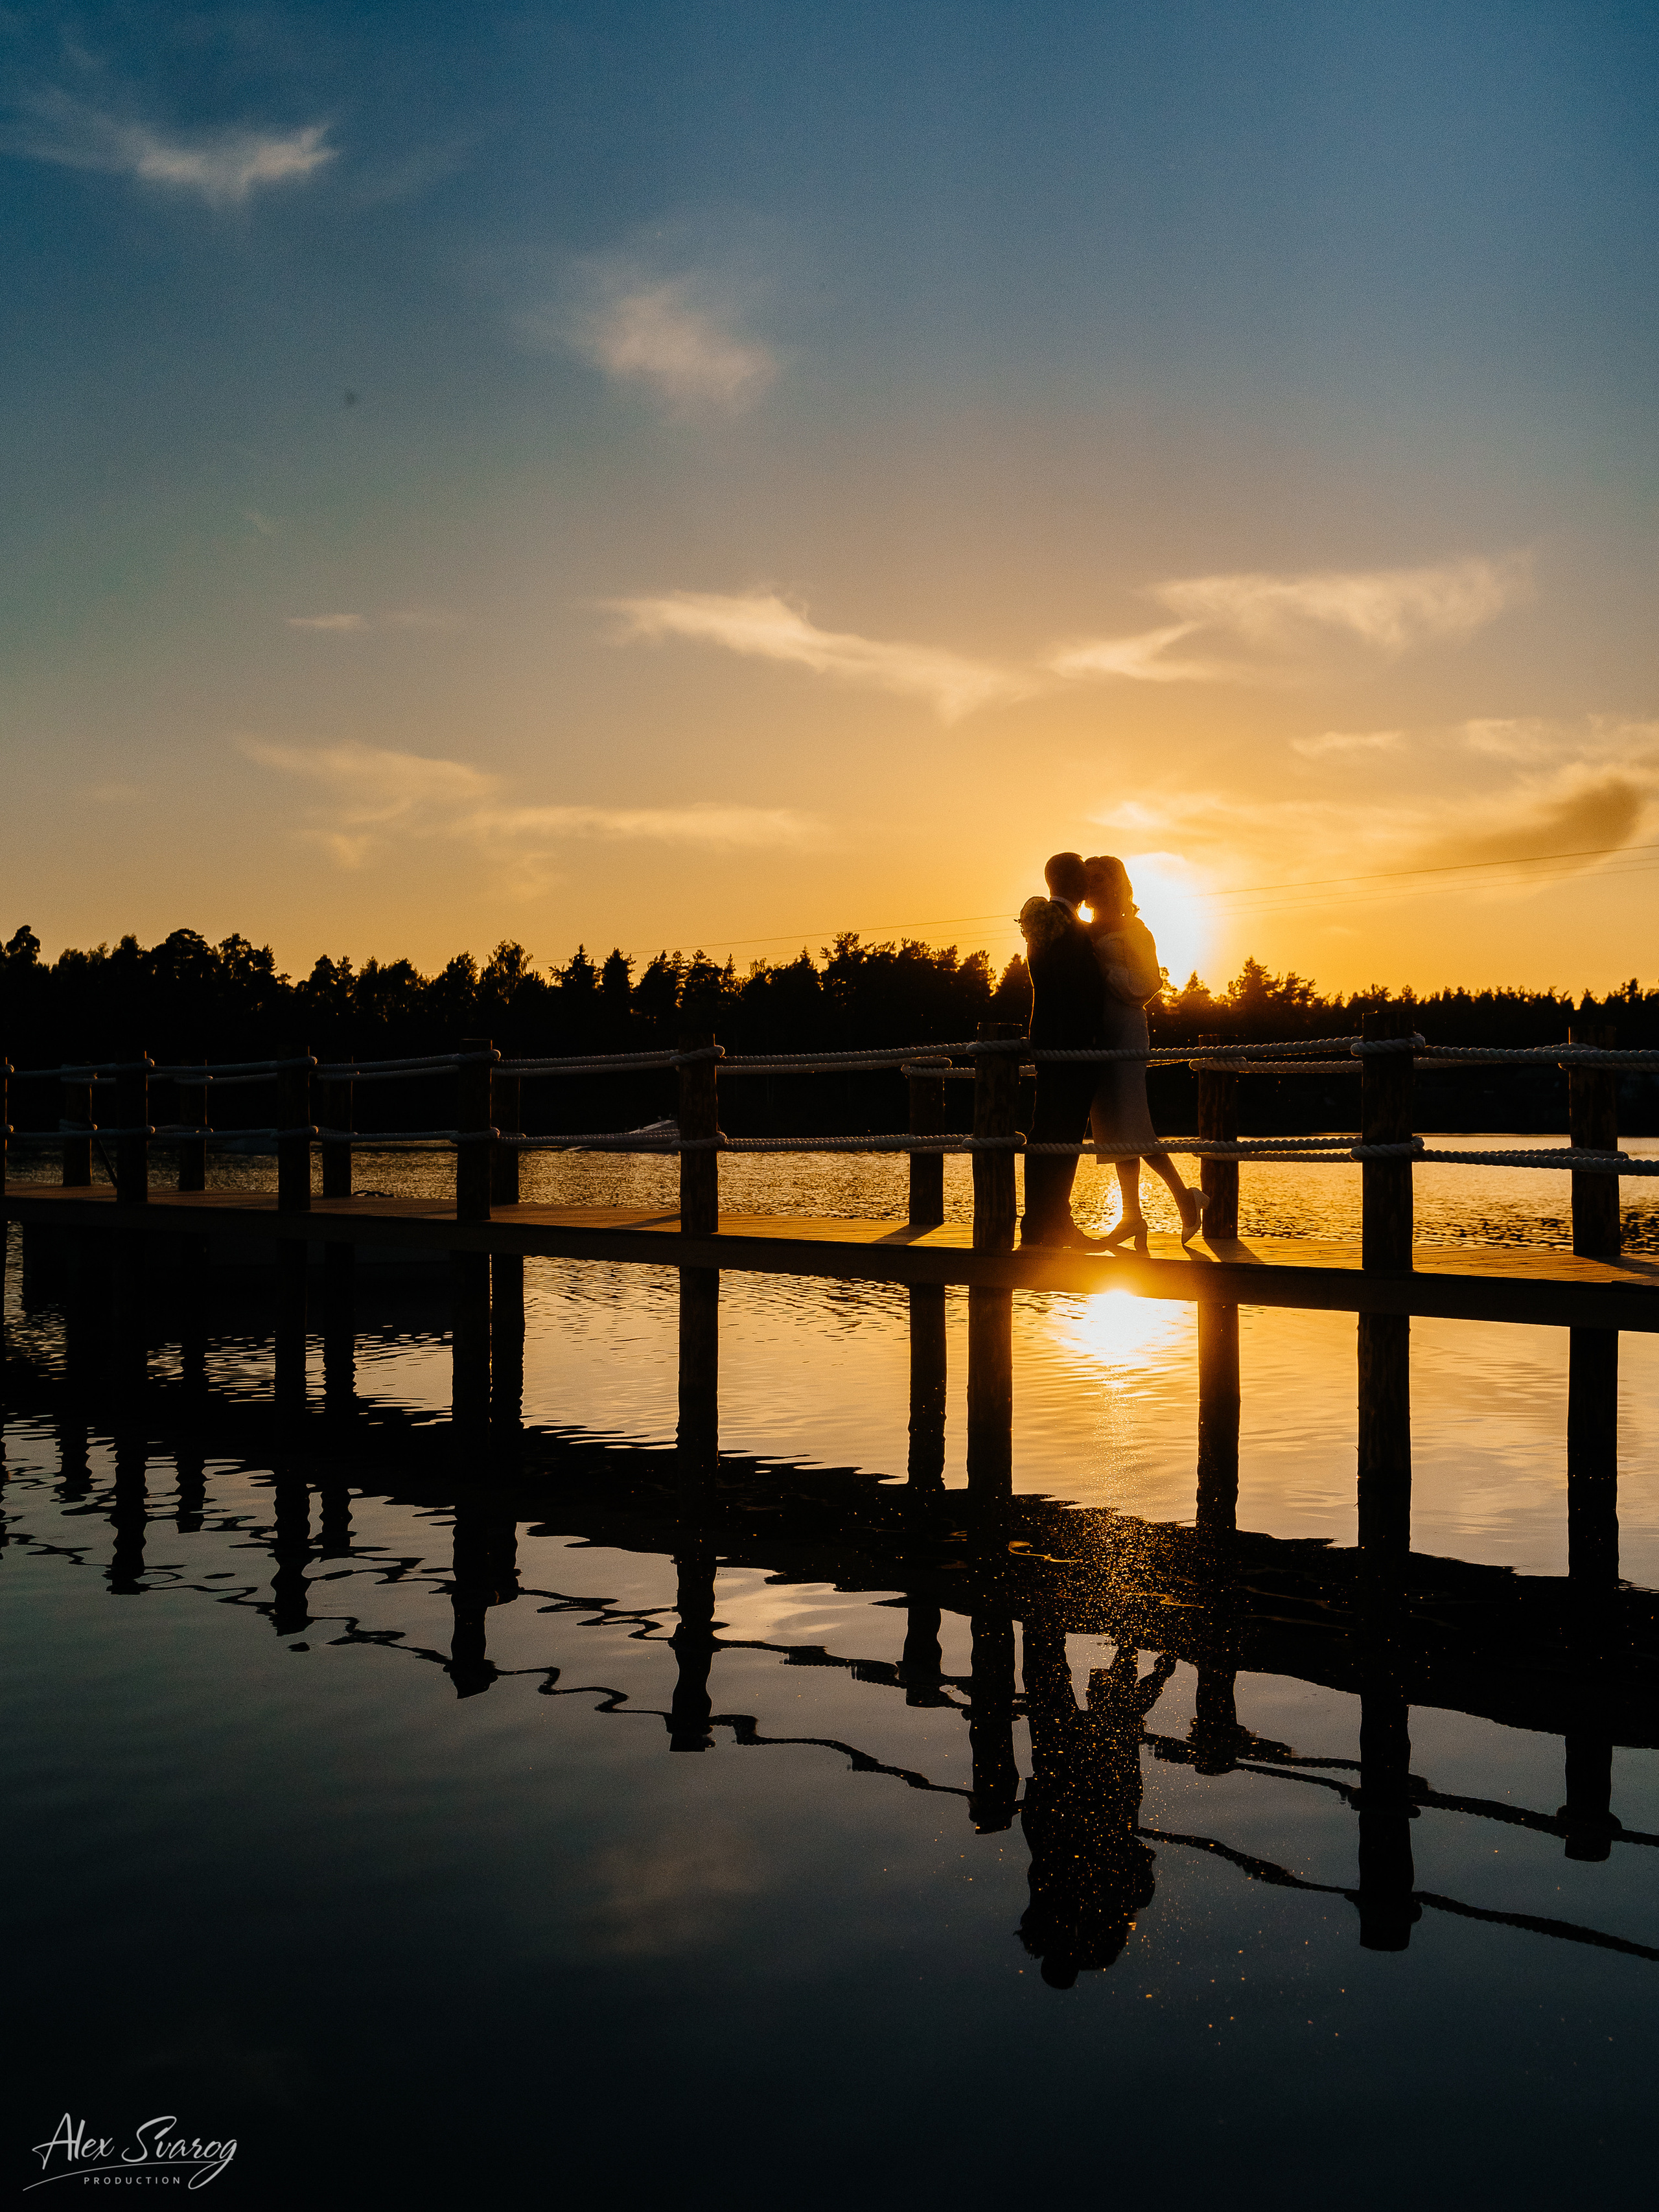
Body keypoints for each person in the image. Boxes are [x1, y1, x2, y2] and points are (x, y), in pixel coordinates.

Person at [1082, 853, 1207, 1251]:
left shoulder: (1135, 928)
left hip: (1127, 1028)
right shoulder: (1084, 930)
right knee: (1112, 1125)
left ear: (1116, 883)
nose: (1094, 885)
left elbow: (1151, 981)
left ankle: (1182, 1200)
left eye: (1100, 878)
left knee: (1133, 1121)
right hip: (1097, 1033)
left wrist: (1108, 974)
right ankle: (1133, 1216)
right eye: (1089, 879)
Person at [1017, 852, 1110, 1250]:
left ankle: (1045, 1219)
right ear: (1075, 883)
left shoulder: (1049, 922)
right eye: (1085, 878)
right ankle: (1049, 1221)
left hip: (1054, 1039)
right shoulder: (1059, 925)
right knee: (1061, 1131)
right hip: (1071, 1043)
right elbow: (1072, 987)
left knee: (1052, 1129)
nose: (1090, 884)